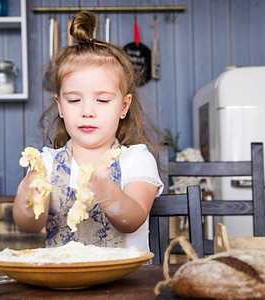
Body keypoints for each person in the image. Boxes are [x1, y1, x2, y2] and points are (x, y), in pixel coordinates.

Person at [13, 11, 164, 252]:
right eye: (74, 100)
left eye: (102, 100)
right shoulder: (47, 164)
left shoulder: (136, 159)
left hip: (127, 286)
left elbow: (133, 220)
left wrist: (107, 193)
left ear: (123, 107)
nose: (87, 111)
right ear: (60, 106)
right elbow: (29, 225)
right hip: (64, 283)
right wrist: (27, 194)